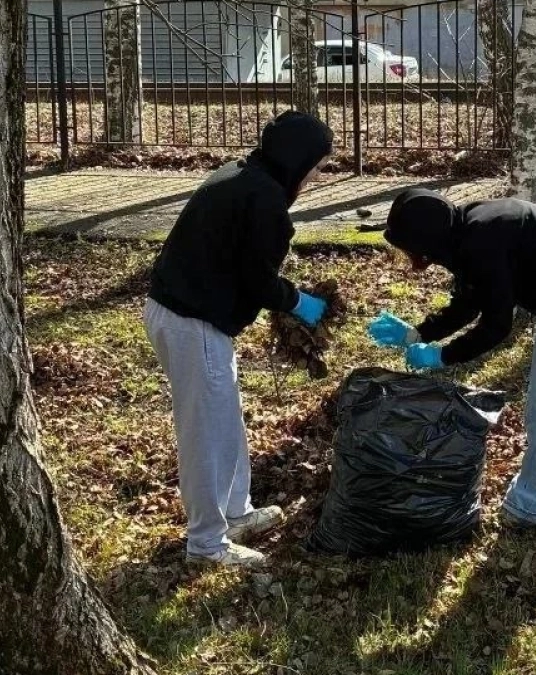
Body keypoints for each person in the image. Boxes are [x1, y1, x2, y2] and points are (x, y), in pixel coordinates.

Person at [367, 189, 536, 527]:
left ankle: (532, 509)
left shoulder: (480, 243)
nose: (408, 257)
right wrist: (419, 333)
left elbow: (496, 325)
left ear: (426, 243)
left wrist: (442, 356)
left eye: (408, 248)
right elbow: (470, 300)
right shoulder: (465, 230)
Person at [144, 111, 333, 566]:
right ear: (298, 159)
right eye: (317, 166)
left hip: (180, 310)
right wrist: (298, 302)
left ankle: (234, 511)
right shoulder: (265, 201)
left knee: (224, 417)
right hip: (195, 322)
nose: (316, 176)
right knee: (204, 434)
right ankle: (207, 544)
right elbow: (257, 280)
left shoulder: (240, 173)